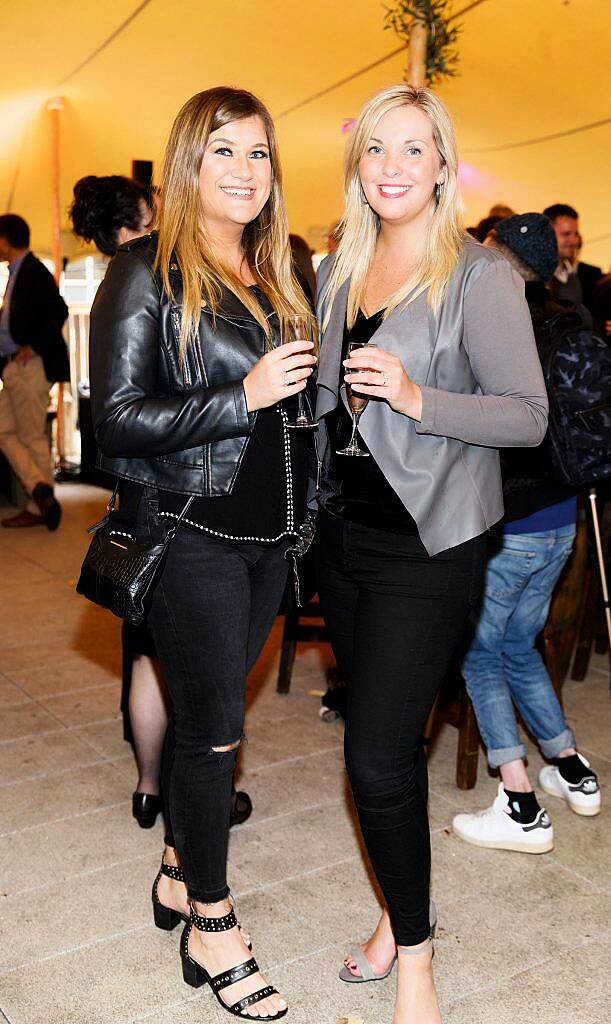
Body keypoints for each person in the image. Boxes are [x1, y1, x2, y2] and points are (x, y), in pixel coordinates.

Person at [314, 84, 548, 1024]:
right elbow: (328, 408)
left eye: (414, 149)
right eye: (377, 149)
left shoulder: (479, 274)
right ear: (357, 165)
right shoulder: (340, 267)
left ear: (443, 164)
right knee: (390, 746)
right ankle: (395, 913)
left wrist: (416, 396)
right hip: (343, 538)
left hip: (430, 544)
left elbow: (527, 420)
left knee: (372, 758)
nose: (394, 167)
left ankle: (415, 959)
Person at [90, 86, 315, 1021]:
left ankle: (180, 871)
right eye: (223, 151)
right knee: (216, 729)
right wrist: (245, 395)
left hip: (274, 534)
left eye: (259, 154)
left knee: (210, 724)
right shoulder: (145, 272)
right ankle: (213, 921)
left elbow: (300, 413)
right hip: (191, 532)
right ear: (188, 162)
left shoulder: (282, 268)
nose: (244, 171)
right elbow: (114, 420)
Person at [70, 174, 254, 833]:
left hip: (143, 493)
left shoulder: (130, 272)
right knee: (188, 669)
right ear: (143, 214)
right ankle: (183, 795)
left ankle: (151, 786)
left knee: (145, 651)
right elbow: (119, 418)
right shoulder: (145, 270)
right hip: (171, 495)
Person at [452, 213, 601, 855]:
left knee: (480, 651)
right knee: (520, 645)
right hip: (561, 522)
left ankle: (519, 802)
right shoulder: (570, 318)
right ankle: (572, 768)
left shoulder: (498, 318)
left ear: (494, 251)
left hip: (507, 521)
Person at [0, 214, 68, 529]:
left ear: (4, 240)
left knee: (30, 435)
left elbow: (59, 310)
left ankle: (39, 504)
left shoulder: (33, 270)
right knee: (5, 431)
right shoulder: (17, 271)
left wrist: (34, 347)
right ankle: (39, 489)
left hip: (30, 365)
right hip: (15, 366)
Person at [543, 203, 603, 313]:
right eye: (566, 234)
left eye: (575, 234)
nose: (575, 240)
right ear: (547, 234)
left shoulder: (572, 276)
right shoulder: (537, 277)